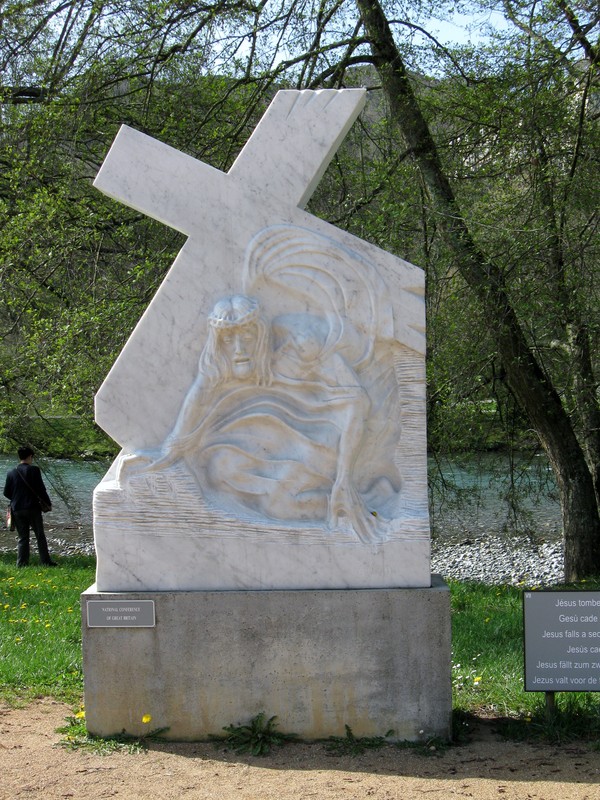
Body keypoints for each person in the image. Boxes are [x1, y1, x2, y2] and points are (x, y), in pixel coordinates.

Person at [3, 446, 56, 567]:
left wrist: (16, 499)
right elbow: (41, 489)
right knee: (40, 536)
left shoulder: (11, 472)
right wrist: (48, 503)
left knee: (23, 537)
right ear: (30, 456)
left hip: (17, 508)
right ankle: (45, 561)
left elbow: (6, 492)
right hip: (32, 508)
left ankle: (21, 563)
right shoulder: (34, 470)